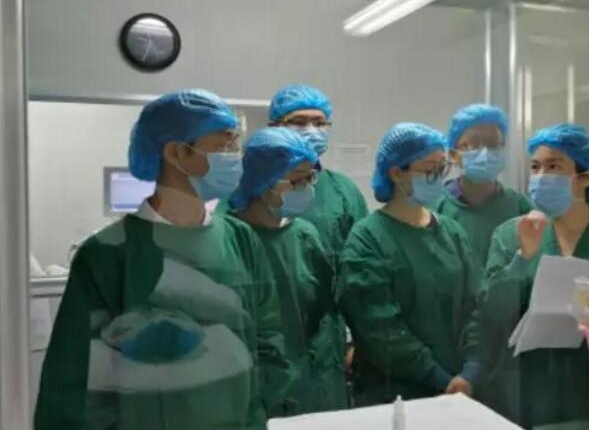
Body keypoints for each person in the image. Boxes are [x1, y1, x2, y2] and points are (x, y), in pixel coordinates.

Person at [35, 89, 292, 430]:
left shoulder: (241, 240)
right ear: (176, 152)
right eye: (224, 146)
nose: (236, 158)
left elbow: (270, 342)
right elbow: (73, 384)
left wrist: (251, 411)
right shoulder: (107, 254)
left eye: (235, 145)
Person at [477, 123, 589, 428]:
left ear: (585, 177)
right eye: (535, 167)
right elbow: (491, 311)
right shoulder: (510, 236)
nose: (541, 176)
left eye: (554, 167)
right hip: (523, 385)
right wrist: (523, 259)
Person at [339, 122, 482, 406]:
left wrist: (471, 369)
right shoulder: (368, 239)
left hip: (460, 388)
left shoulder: (452, 233)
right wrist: (439, 378)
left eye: (443, 168)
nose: (439, 178)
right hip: (394, 394)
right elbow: (380, 329)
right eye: (430, 169)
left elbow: (477, 307)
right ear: (396, 173)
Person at [228, 127, 346, 416]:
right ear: (262, 181)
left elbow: (325, 313)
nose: (306, 188)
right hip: (250, 391)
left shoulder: (305, 236)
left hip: (309, 385)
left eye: (310, 178)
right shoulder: (231, 239)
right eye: (295, 181)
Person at [268, 84, 368, 267]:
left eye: (319, 123)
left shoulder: (342, 190)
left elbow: (362, 257)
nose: (312, 130)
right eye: (299, 122)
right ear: (274, 128)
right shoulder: (251, 187)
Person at [435, 104, 533, 266]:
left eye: (494, 145)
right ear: (453, 155)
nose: (485, 152)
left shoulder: (519, 207)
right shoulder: (436, 207)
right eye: (474, 145)